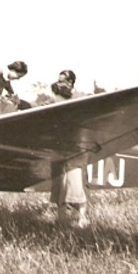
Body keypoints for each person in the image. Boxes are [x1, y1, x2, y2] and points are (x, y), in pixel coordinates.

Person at [49, 69, 89, 228]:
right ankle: (61, 220)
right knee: (59, 186)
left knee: (77, 185)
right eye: (57, 81)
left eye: (61, 81)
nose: (58, 84)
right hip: (59, 150)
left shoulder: (80, 99)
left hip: (76, 151)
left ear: (70, 82)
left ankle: (82, 220)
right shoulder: (57, 98)